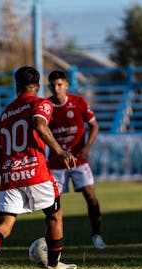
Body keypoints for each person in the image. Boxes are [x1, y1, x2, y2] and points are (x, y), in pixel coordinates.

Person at [0, 66, 78, 269]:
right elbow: (39, 124)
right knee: (55, 215)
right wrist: (59, 150)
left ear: (17, 86)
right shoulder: (40, 103)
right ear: (39, 86)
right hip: (36, 171)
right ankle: (53, 265)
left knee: (5, 223)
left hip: (10, 175)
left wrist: (6, 173)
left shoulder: (5, 113)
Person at [47, 70, 106, 250]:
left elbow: (94, 126)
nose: (56, 88)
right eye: (53, 85)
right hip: (57, 163)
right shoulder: (46, 106)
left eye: (59, 84)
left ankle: (96, 235)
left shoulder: (78, 102)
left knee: (91, 196)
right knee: (52, 203)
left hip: (78, 160)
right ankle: (52, 242)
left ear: (66, 85)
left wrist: (86, 147)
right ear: (49, 86)